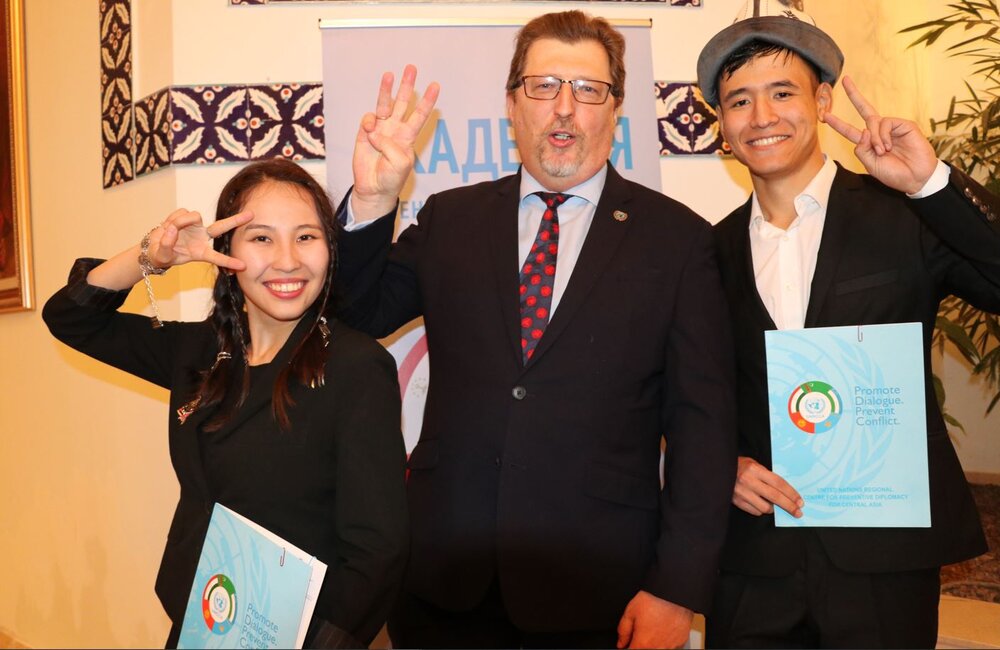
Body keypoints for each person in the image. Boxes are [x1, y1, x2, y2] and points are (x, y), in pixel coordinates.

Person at [338, 11, 737, 649]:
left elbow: (702, 429)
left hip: (601, 593)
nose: (564, 108)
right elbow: (353, 317)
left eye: (588, 90)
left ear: (615, 110)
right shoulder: (450, 220)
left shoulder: (679, 241)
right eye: (544, 86)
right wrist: (371, 201)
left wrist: (677, 588)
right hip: (441, 586)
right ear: (511, 104)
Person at [695, 1, 1000, 647]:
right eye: (739, 101)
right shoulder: (704, 253)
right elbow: (683, 389)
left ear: (823, 100)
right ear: (722, 122)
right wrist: (721, 463)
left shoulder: (906, 215)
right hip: (752, 558)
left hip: (884, 552)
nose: (762, 116)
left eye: (783, 92)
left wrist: (931, 184)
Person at [42, 158, 412, 649]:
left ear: (330, 249)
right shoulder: (199, 351)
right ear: (226, 252)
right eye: (261, 238)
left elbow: (377, 549)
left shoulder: (355, 366)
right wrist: (154, 255)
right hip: (207, 618)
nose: (287, 261)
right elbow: (70, 318)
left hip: (301, 633)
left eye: (306, 237)